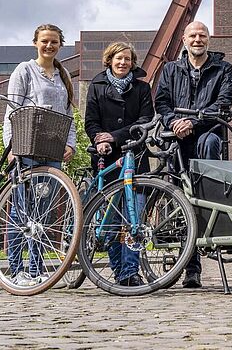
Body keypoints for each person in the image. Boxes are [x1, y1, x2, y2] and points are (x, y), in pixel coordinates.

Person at [155, 20, 232, 288]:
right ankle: (191, 268)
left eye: (202, 35)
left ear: (208, 39)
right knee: (182, 203)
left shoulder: (223, 69)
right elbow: (162, 103)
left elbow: (223, 104)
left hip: (207, 134)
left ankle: (209, 195)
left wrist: (193, 122)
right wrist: (173, 122)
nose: (197, 40)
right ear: (184, 40)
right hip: (177, 140)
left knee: (209, 143)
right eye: (193, 36)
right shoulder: (171, 69)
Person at [3, 23, 78, 287]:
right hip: (27, 147)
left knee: (43, 214)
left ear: (60, 45)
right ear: (36, 42)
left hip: (52, 149)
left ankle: (36, 269)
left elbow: (68, 115)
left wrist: (71, 144)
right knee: (21, 211)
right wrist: (11, 147)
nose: (49, 46)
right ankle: (16, 270)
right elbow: (12, 110)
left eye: (54, 42)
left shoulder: (63, 75)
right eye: (44, 41)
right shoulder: (25, 70)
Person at [84, 42, 154, 287]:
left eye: (127, 59)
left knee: (134, 219)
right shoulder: (97, 86)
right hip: (108, 158)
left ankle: (130, 271)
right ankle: (119, 271)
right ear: (109, 60)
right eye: (118, 58)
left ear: (133, 63)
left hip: (135, 156)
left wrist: (115, 136)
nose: (123, 62)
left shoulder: (142, 88)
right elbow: (91, 120)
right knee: (112, 220)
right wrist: (99, 139)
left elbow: (145, 119)